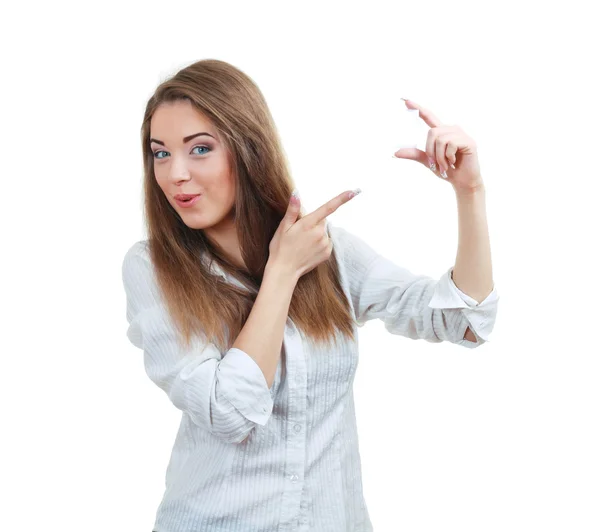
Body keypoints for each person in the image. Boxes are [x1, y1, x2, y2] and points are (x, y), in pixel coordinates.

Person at [121, 59, 499, 532]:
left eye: (200, 149)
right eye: (160, 153)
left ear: (248, 149)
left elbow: (462, 320)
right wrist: (282, 272)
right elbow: (230, 412)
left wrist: (470, 190)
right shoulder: (152, 269)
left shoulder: (326, 250)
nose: (176, 173)